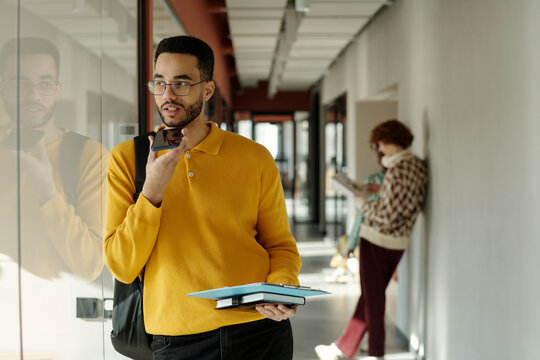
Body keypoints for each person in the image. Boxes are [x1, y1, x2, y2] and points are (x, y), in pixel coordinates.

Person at [104, 36, 301, 359]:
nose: (168, 95)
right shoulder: (128, 159)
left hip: (259, 330)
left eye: (181, 83)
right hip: (177, 339)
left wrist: (280, 287)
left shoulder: (254, 157)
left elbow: (279, 245)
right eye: (160, 83)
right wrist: (152, 190)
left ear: (207, 90)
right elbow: (121, 266)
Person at [0, 37, 107, 357]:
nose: (34, 95)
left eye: (44, 84)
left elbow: (90, 264)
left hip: (58, 333)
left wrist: (45, 185)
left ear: (57, 89)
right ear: (4, 87)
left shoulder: (89, 155)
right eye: (20, 83)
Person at [315, 119, 427, 360]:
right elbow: (403, 202)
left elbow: (386, 215)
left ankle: (376, 352)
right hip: (398, 241)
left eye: (380, 144)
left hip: (377, 240)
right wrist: (380, 191)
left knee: (373, 299)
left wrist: (361, 202)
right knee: (370, 296)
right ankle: (343, 348)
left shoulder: (397, 169)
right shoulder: (415, 165)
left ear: (388, 142)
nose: (379, 150)